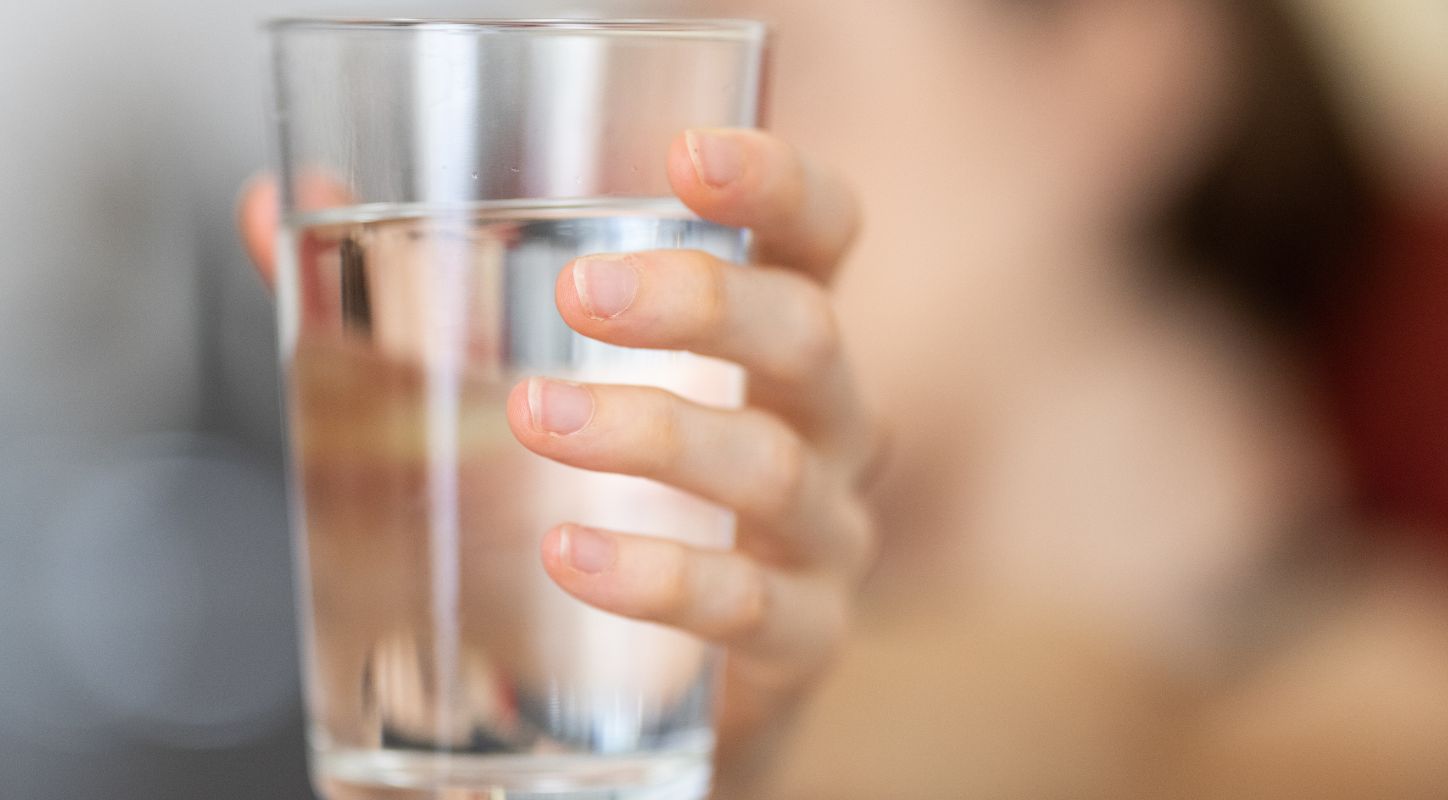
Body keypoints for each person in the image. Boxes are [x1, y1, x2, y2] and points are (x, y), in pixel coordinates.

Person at [241, 0, 1448, 796]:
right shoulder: (664, 687)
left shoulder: (1376, 707)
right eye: (629, 84)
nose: (652, 161)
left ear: (1121, 61)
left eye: (785, 63)